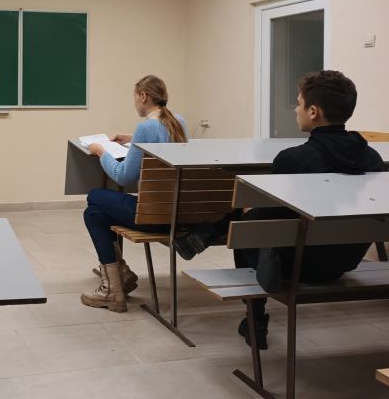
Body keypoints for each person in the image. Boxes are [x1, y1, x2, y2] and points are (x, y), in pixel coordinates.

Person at [175, 70, 385, 349]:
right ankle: (206, 233)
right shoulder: (372, 159)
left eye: (299, 104)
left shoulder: (293, 159)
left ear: (313, 112)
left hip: (296, 268)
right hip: (345, 261)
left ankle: (255, 318)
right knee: (256, 218)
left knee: (250, 226)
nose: (296, 110)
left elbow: (266, 220)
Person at [81, 75, 187, 312]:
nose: (135, 102)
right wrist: (131, 139)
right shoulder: (178, 121)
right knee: (94, 214)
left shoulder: (146, 127)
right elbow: (161, 139)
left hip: (153, 216)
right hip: (180, 213)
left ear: (143, 96)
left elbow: (123, 176)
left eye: (135, 97)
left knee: (95, 196)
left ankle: (116, 283)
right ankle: (117, 281)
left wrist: (101, 152)